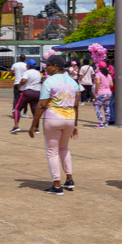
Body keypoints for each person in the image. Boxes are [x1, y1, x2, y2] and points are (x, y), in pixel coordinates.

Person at [28, 55, 79, 196]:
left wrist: (34, 125)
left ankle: (57, 184)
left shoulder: (49, 81)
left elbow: (42, 104)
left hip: (53, 119)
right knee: (64, 148)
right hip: (69, 118)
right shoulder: (73, 83)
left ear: (55, 67)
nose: (46, 68)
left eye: (47, 65)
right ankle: (69, 179)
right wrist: (75, 125)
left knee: (53, 152)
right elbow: (76, 106)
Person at [12, 59, 42, 134]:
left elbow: (23, 80)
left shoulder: (27, 72)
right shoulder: (38, 73)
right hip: (37, 92)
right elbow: (41, 81)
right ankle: (36, 128)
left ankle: (16, 126)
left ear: (28, 65)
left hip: (28, 92)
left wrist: (19, 86)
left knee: (17, 108)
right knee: (34, 110)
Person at [10, 54, 28, 121]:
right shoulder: (26, 65)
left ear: (19, 58)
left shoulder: (15, 65)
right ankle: (24, 113)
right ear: (24, 59)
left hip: (17, 83)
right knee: (25, 99)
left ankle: (14, 109)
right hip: (24, 83)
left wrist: (16, 74)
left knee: (16, 98)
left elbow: (10, 74)